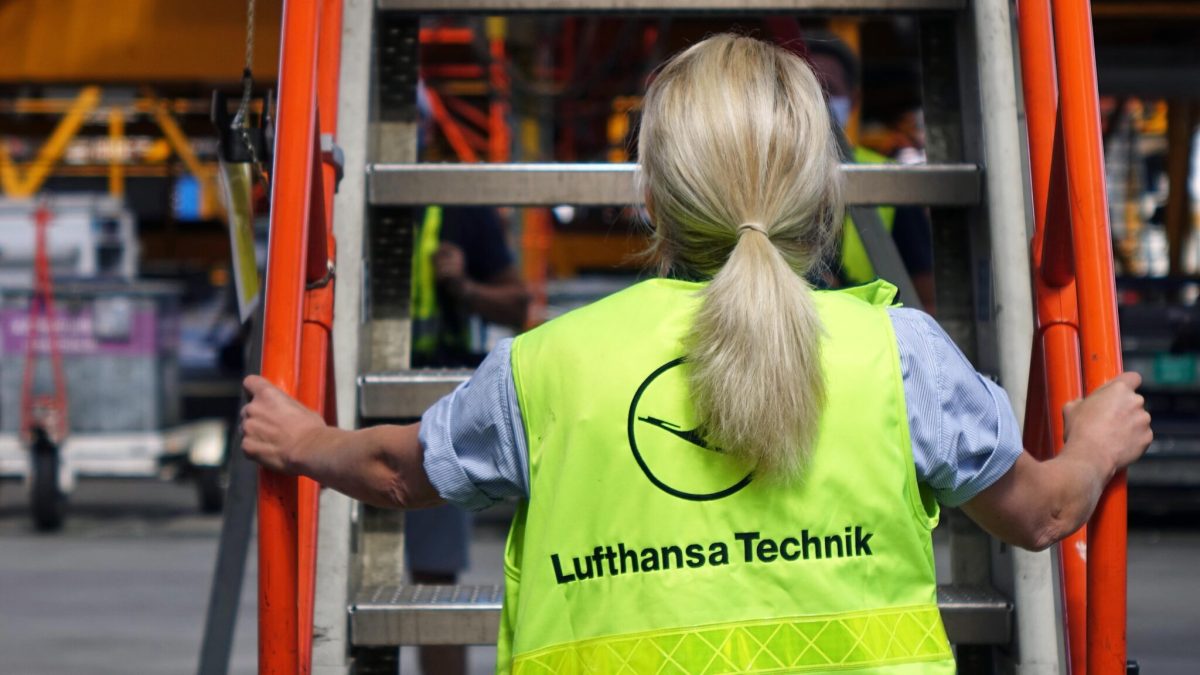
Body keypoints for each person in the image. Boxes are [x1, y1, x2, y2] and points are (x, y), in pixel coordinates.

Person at [241, 35, 1152, 674]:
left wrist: (302, 438)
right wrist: (1096, 440)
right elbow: (1041, 514)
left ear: (650, 194)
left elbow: (397, 470)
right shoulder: (896, 355)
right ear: (819, 186)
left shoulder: (549, 368)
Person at [804, 32, 938, 311]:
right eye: (808, 88)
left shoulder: (891, 180)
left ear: (854, 100)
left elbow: (925, 298)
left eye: (830, 88)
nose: (819, 100)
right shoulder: (761, 173)